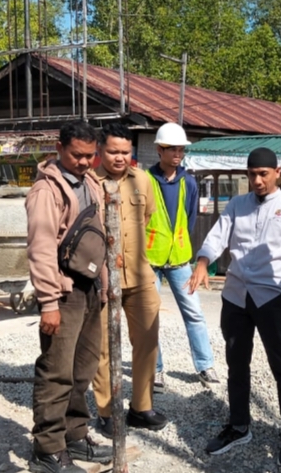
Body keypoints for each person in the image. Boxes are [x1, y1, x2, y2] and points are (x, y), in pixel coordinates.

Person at [187, 147, 281, 467]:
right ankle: (239, 425)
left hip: (271, 296)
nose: (257, 181)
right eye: (252, 174)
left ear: (278, 172)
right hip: (236, 295)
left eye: (263, 174)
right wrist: (203, 262)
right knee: (236, 363)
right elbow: (217, 237)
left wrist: (273, 273)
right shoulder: (237, 205)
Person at [26, 121, 113, 473]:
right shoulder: (46, 191)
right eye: (77, 155)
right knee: (56, 371)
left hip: (89, 287)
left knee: (83, 368)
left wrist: (104, 285)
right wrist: (48, 303)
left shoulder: (90, 183)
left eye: (90, 155)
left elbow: (98, 236)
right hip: (62, 290)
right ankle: (47, 449)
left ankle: (74, 434)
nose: (84, 161)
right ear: (60, 148)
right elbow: (41, 247)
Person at [90, 123, 168, 436]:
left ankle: (141, 407)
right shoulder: (89, 182)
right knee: (103, 348)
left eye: (125, 151)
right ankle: (107, 411)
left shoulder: (142, 180)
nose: (120, 157)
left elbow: (146, 218)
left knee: (147, 342)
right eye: (113, 151)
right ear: (100, 150)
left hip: (139, 275)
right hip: (101, 279)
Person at [145, 122, 219, 393]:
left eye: (180, 149)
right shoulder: (145, 180)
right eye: (172, 149)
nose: (177, 154)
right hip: (149, 259)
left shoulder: (189, 182)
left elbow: (189, 220)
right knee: (149, 317)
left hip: (179, 259)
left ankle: (205, 365)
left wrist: (181, 247)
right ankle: (155, 369)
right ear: (159, 150)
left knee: (194, 313)